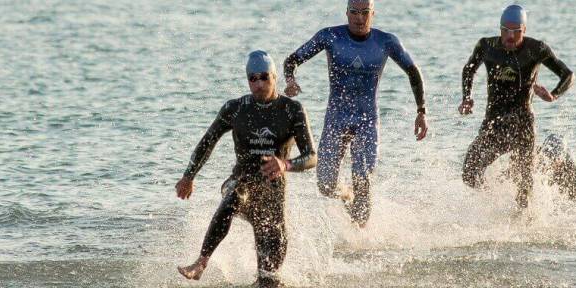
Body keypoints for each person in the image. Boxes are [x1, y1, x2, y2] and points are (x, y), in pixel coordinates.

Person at [175, 50, 317, 287]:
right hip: (240, 181)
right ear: (247, 80)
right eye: (253, 79)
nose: (259, 84)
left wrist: (286, 164)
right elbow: (207, 142)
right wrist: (188, 176)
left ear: (274, 77)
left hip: (273, 197)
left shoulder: (292, 110)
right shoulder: (235, 108)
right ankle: (201, 262)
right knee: (235, 196)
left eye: (264, 77)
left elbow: (312, 157)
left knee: (268, 280)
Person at [283, 0, 427, 227]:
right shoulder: (330, 37)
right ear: (346, 13)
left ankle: (360, 236)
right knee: (325, 185)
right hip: (336, 119)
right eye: (354, 13)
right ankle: (345, 195)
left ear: (373, 13)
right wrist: (291, 81)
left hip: (367, 120)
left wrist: (421, 111)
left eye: (365, 13)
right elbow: (292, 60)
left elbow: (413, 71)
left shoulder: (386, 41)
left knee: (363, 181)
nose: (359, 19)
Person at [459, 5, 574, 209]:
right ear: (500, 28)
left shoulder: (536, 49)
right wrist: (467, 97)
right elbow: (469, 69)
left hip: (523, 125)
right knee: (469, 171)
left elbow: (567, 74)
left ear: (525, 30)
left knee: (524, 192)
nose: (510, 37)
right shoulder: (487, 46)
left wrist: (553, 95)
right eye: (505, 30)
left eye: (516, 31)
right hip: (494, 123)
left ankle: (551, 161)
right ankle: (496, 203)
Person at [537, 134, 576, 204]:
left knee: (575, 197)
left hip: (562, 158)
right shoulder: (543, 158)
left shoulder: (569, 165)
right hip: (551, 148)